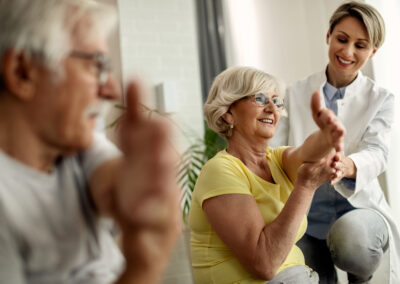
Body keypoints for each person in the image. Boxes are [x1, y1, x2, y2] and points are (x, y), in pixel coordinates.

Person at [0, 0, 181, 283]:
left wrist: (143, 191)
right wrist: (143, 267)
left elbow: (115, 184)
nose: (110, 89)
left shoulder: (74, 147)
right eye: (96, 64)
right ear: (22, 72)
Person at [270, 1, 400, 283]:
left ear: (373, 51)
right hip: (307, 218)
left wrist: (348, 164)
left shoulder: (382, 99)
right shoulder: (296, 92)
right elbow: (276, 151)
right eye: (342, 39)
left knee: (352, 244)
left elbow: (378, 152)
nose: (347, 51)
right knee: (307, 276)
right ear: (328, 35)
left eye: (361, 45)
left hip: (360, 209)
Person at [189, 66, 346, 283]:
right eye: (261, 99)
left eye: (277, 101)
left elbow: (307, 152)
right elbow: (264, 264)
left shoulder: (277, 159)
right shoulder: (220, 170)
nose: (273, 108)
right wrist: (306, 187)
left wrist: (328, 134)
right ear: (228, 113)